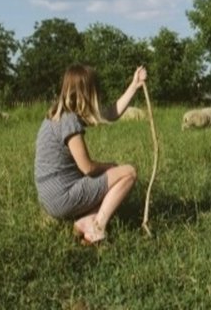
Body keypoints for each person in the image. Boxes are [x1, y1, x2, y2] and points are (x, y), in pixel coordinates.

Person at [34, 64, 147, 245]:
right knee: (129, 172)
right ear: (88, 91)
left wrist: (134, 85)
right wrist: (110, 166)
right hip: (62, 197)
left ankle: (86, 220)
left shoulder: (59, 114)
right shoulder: (69, 120)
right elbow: (87, 167)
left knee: (112, 177)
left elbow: (110, 113)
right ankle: (96, 228)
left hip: (49, 197)